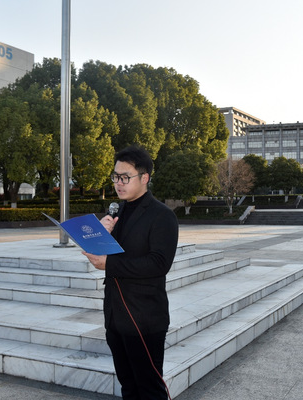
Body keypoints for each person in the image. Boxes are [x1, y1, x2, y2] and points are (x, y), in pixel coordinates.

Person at [83, 145, 179, 400]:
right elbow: (108, 256)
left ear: (144, 177)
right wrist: (99, 236)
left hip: (144, 318)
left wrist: (109, 264)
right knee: (128, 385)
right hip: (115, 316)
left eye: (125, 177)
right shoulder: (117, 212)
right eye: (115, 176)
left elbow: (159, 263)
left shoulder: (162, 216)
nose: (118, 183)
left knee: (150, 389)